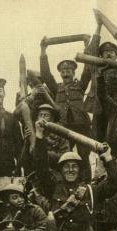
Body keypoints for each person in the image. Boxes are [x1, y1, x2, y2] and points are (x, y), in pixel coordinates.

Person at [34, 119, 117, 231]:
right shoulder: (53, 187)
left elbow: (115, 184)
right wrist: (39, 137)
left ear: (80, 170)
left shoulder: (91, 190)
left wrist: (108, 159)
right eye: (66, 166)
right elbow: (41, 167)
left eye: (74, 166)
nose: (70, 170)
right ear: (61, 170)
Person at [40, 40, 93, 180]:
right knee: (66, 157)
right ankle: (67, 184)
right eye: (63, 71)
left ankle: (86, 185)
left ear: (73, 72)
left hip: (82, 127)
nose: (65, 73)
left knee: (84, 157)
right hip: (64, 128)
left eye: (68, 70)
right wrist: (43, 52)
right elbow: (46, 75)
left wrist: (86, 49)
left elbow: (87, 71)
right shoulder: (57, 88)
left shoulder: (80, 86)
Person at [85, 21, 117, 141]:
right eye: (105, 52)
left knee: (114, 136)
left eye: (111, 52)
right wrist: (98, 26)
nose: (108, 54)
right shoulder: (95, 67)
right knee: (97, 138)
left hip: (115, 107)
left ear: (116, 56)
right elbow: (92, 50)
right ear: (101, 55)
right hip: (97, 108)